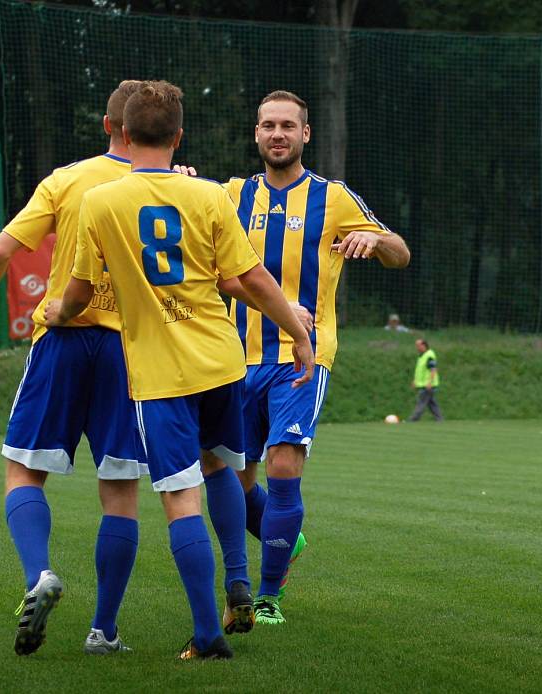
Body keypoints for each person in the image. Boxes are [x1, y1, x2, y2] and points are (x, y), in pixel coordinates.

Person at [44, 80, 315, 660]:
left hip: (161, 374)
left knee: (179, 499)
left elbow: (79, 291)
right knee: (223, 466)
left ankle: (207, 635)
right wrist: (297, 332)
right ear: (178, 136)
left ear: (121, 131)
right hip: (221, 359)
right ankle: (237, 579)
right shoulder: (211, 196)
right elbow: (252, 279)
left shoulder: (100, 202)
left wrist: (56, 314)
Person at [0, 81, 146, 657]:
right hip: (128, 349)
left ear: (107, 126)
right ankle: (104, 631)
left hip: (62, 339)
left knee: (22, 471)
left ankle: (39, 575)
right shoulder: (173, 186)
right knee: (119, 492)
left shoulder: (66, 180)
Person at [219, 90, 411, 625]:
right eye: (267, 126)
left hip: (303, 357)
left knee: (284, 464)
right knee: (231, 479)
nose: (277, 134)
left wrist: (375, 242)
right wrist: (180, 174)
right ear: (256, 134)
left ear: (305, 135)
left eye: (287, 126)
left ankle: (268, 595)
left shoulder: (334, 197)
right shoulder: (230, 195)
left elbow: (401, 252)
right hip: (235, 358)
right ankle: (285, 539)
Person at [408, 339, 443, 421]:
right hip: (423, 384)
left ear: (424, 345)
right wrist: (415, 381)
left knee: (421, 402)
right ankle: (440, 419)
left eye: (418, 345)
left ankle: (413, 419)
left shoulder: (429, 355)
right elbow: (420, 371)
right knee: (432, 403)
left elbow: (433, 370)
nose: (417, 347)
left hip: (428, 385)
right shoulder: (422, 356)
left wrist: (429, 382)